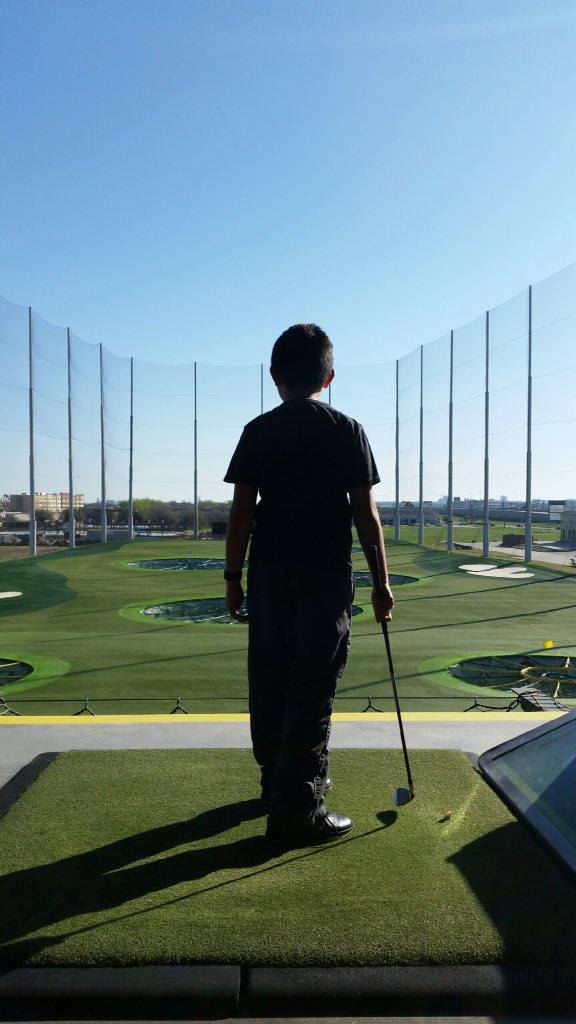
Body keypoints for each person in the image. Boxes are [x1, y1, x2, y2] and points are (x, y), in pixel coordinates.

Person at [224, 324, 394, 845]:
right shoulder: (347, 429)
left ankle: (275, 786)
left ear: (274, 376)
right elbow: (365, 516)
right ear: (330, 377)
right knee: (312, 685)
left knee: (270, 678)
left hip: (269, 574)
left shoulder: (259, 430)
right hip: (324, 576)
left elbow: (241, 514)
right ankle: (298, 810)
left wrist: (232, 578)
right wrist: (381, 584)